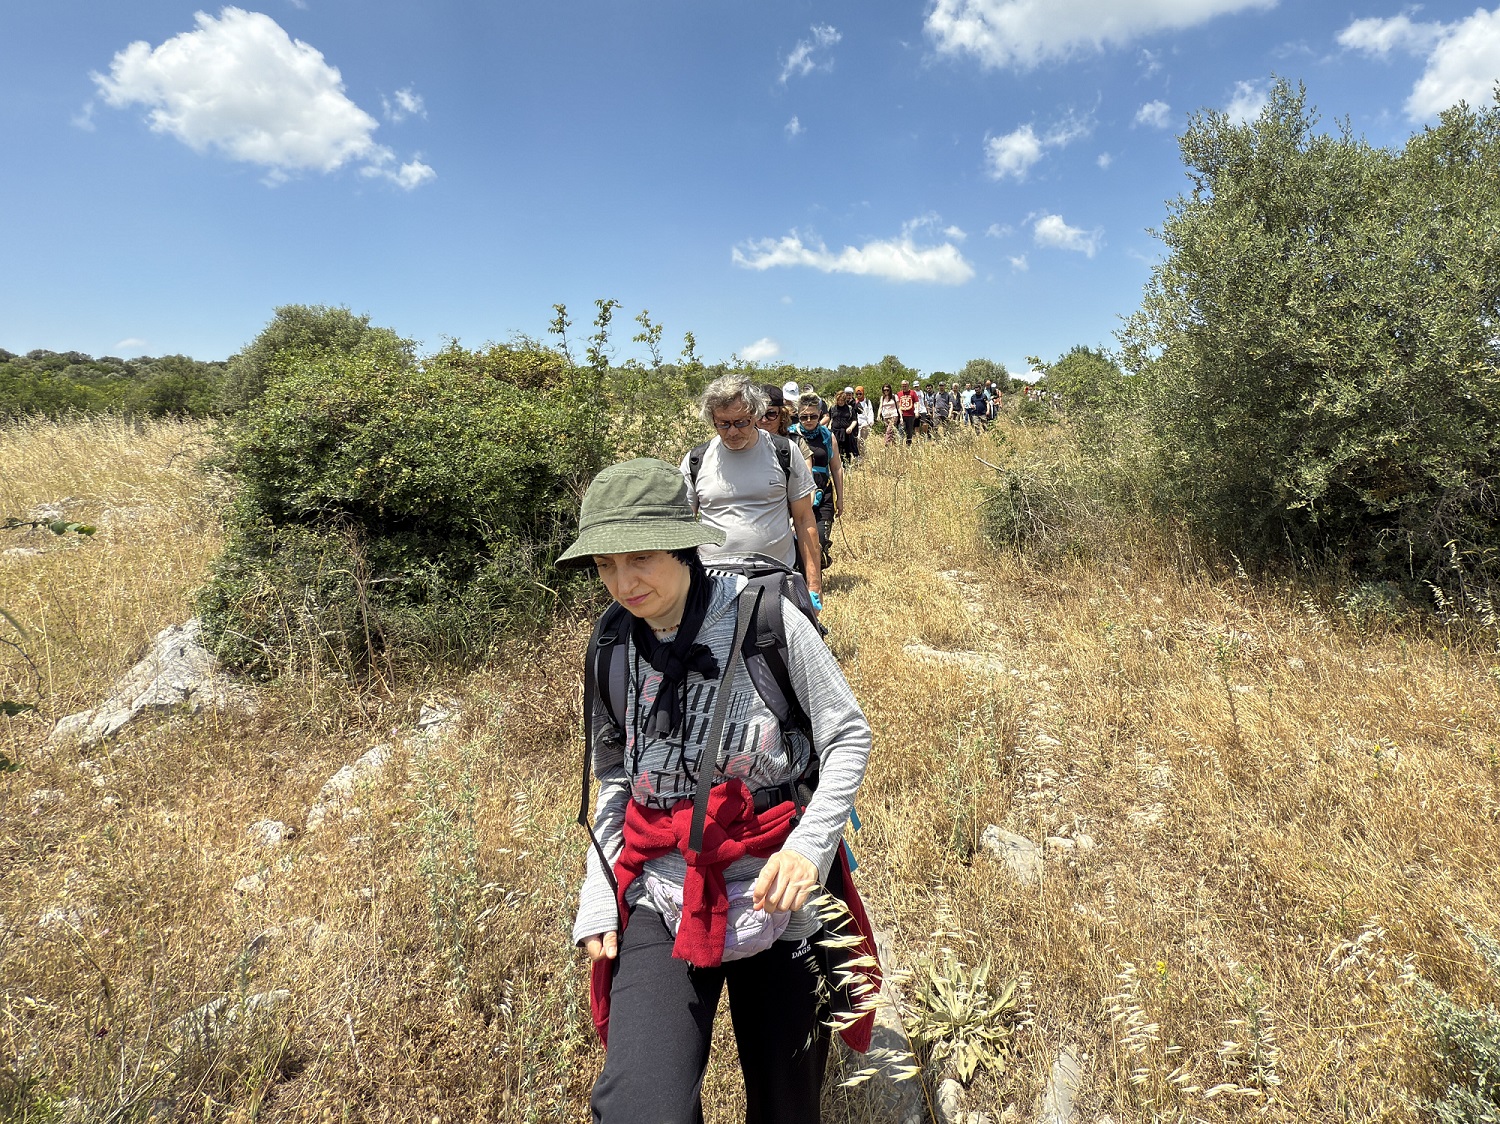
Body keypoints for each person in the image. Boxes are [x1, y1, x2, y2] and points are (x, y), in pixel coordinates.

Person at [560, 458, 873, 1124]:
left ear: (686, 545)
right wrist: (598, 893)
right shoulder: (612, 642)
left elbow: (848, 736)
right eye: (605, 566)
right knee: (641, 1109)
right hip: (661, 891)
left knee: (788, 1109)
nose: (623, 583)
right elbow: (616, 777)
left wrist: (808, 852)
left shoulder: (766, 620)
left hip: (776, 890)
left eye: (640, 558)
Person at [684, 374, 822, 601]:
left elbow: (805, 519)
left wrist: (814, 585)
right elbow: (684, 527)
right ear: (712, 419)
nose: (732, 432)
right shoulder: (696, 460)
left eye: (741, 422)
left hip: (775, 581)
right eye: (723, 423)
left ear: (755, 414)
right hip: (712, 583)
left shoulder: (784, 452)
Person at [791, 393, 843, 570]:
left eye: (813, 416)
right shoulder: (790, 436)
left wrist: (840, 498)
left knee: (819, 540)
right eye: (803, 416)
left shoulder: (828, 436)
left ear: (820, 414)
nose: (808, 420)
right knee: (797, 540)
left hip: (824, 496)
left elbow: (836, 468)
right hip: (798, 498)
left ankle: (818, 568)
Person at [828, 388, 860, 465]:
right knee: (834, 451)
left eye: (842, 400)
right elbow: (829, 418)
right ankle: (835, 467)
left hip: (846, 433)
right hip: (835, 432)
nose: (840, 402)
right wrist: (827, 428)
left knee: (846, 452)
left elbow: (854, 420)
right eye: (839, 400)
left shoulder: (849, 409)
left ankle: (846, 467)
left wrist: (850, 428)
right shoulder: (832, 408)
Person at [895, 380, 920, 445]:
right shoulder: (899, 394)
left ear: (908, 386)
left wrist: (916, 411)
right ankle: (900, 445)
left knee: (909, 431)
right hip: (902, 415)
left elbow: (916, 402)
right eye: (903, 386)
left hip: (910, 415)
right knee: (901, 430)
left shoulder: (912, 393)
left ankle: (909, 445)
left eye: (905, 386)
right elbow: (898, 405)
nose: (904, 387)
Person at [854, 385, 874, 450]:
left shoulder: (867, 402)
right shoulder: (854, 402)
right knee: (857, 441)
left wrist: (870, 422)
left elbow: (870, 412)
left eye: (860, 393)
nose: (859, 395)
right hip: (856, 425)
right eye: (857, 394)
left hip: (865, 424)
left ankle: (863, 456)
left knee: (863, 442)